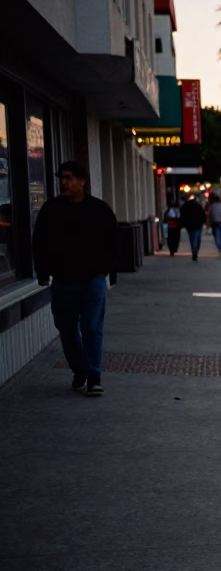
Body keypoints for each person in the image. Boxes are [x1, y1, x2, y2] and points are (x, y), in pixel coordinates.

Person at [33, 161, 117, 397]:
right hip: (63, 280)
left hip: (93, 279)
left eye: (69, 177)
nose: (64, 182)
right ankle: (79, 370)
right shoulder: (51, 210)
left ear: (82, 181)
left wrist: (107, 270)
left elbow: (112, 241)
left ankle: (93, 377)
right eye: (61, 178)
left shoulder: (99, 210)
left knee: (91, 327)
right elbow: (39, 243)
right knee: (67, 330)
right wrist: (42, 273)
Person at [180, 193, 206, 261]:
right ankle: (195, 251)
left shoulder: (186, 206)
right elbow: (203, 215)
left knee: (192, 238)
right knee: (197, 239)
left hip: (190, 225)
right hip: (198, 224)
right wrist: (203, 222)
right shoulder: (199, 206)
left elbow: (182, 215)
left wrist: (184, 223)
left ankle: (194, 251)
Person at [207, 193, 221, 258]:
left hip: (215, 222)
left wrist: (208, 223)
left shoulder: (211, 206)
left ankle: (219, 247)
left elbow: (209, 216)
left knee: (216, 235)